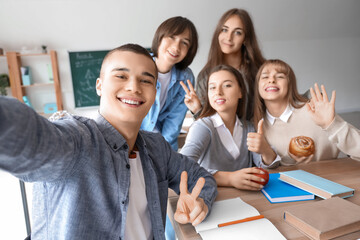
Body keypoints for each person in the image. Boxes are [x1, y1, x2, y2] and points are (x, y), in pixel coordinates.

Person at [0, 44, 217, 240]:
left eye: (146, 80)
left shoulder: (156, 147)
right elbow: (29, 137)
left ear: (154, 93)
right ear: (99, 86)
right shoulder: (77, 140)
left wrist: (200, 203)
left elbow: (202, 178)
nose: (134, 87)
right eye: (121, 76)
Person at [180, 65, 280, 191]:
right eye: (212, 87)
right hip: (210, 200)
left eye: (227, 85)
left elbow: (267, 169)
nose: (218, 92)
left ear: (240, 92)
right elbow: (182, 167)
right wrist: (230, 178)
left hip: (246, 200)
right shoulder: (202, 126)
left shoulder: (249, 128)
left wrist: (265, 149)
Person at [253, 59, 360, 165]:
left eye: (280, 76)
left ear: (290, 84)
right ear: (257, 86)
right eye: (265, 77)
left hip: (333, 177)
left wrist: (331, 125)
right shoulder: (258, 125)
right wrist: (290, 158)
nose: (271, 80)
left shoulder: (314, 109)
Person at [183, 8, 265, 120]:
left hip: (254, 135)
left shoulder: (260, 72)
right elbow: (204, 124)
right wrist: (197, 110)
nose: (229, 38)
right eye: (224, 30)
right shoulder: (206, 75)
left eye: (237, 32)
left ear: (246, 38)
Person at [141, 16, 198, 151]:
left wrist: (164, 154)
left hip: (160, 145)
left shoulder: (185, 77)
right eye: (172, 37)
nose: (176, 47)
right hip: (130, 140)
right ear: (160, 37)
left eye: (184, 42)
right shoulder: (140, 64)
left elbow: (174, 122)